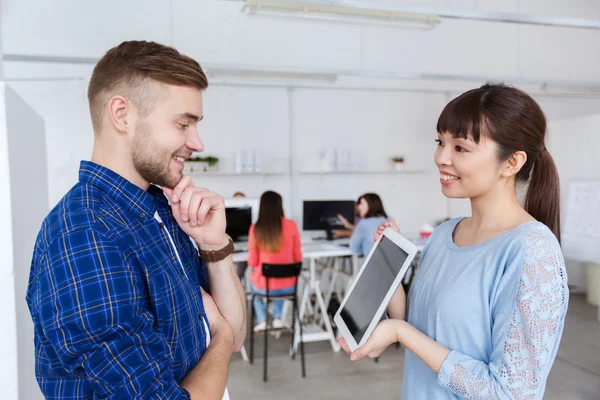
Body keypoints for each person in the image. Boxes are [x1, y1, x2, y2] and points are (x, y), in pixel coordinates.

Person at [26, 41, 246, 400]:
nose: (197, 142)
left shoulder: (158, 210)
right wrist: (219, 339)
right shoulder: (86, 236)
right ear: (122, 114)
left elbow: (235, 332)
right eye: (183, 124)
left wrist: (213, 246)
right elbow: (225, 338)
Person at [338, 84, 569, 399]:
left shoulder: (531, 251)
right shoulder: (444, 234)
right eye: (440, 142)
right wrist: (388, 265)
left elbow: (510, 394)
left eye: (460, 147)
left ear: (512, 162)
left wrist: (399, 333)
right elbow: (417, 325)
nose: (441, 157)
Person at [247, 191, 302, 332]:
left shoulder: (256, 228)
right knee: (280, 280)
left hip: (264, 287)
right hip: (290, 287)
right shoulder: (291, 225)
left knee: (253, 285)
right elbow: (297, 257)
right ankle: (277, 318)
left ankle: (262, 320)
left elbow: (252, 263)